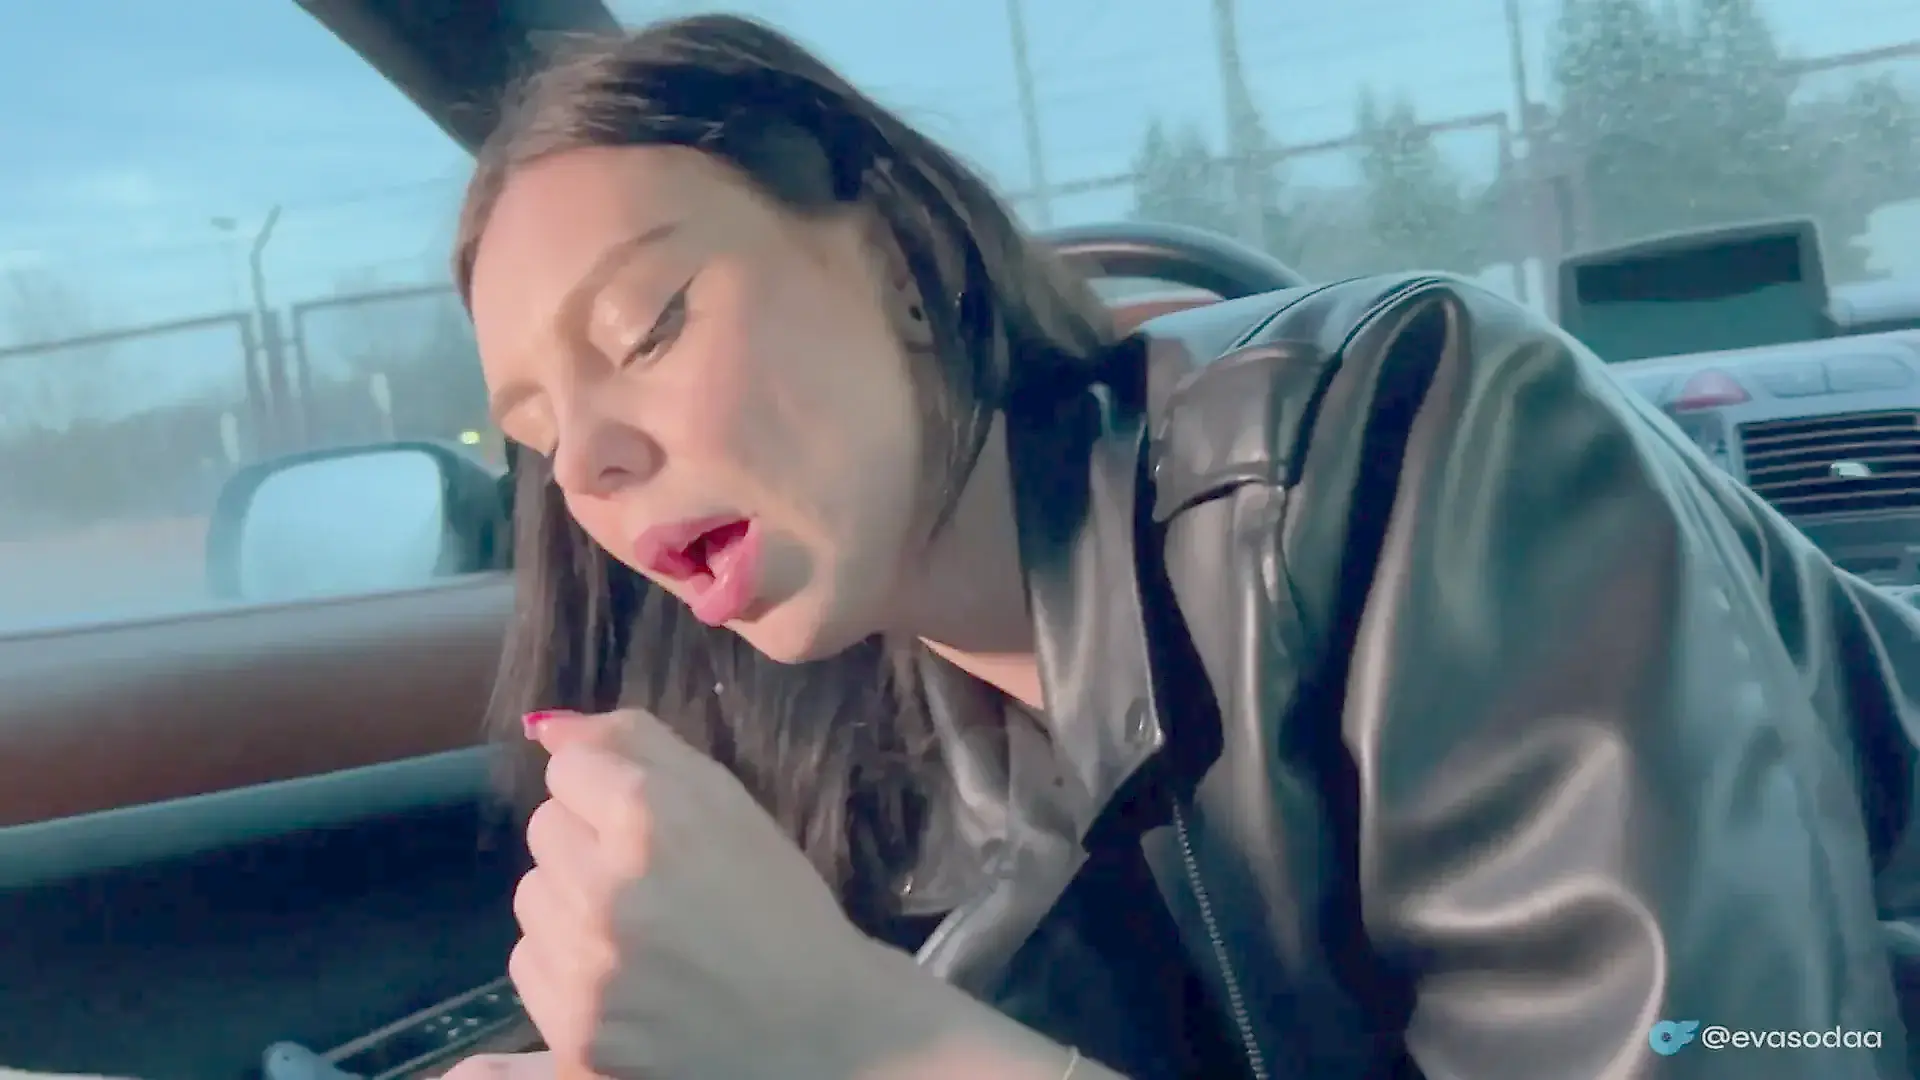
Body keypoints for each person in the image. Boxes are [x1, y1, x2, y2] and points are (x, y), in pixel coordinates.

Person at [445, 14, 1920, 1080]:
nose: (586, 464)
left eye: (645, 328)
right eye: (535, 431)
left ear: (893, 258)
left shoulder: (1408, 432)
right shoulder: (868, 741)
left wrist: (871, 1043)